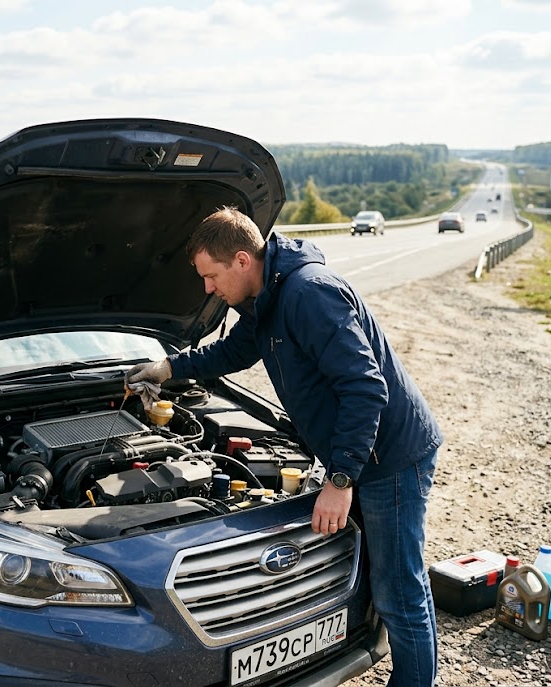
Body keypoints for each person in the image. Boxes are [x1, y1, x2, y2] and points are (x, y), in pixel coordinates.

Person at [125, 206, 442, 686]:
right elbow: (232, 351)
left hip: (389, 459)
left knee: (399, 593)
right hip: (363, 453)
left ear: (241, 260)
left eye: (211, 276)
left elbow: (365, 389)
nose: (207, 289)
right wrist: (169, 368)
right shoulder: (267, 294)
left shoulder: (309, 295)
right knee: (392, 582)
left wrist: (340, 480)